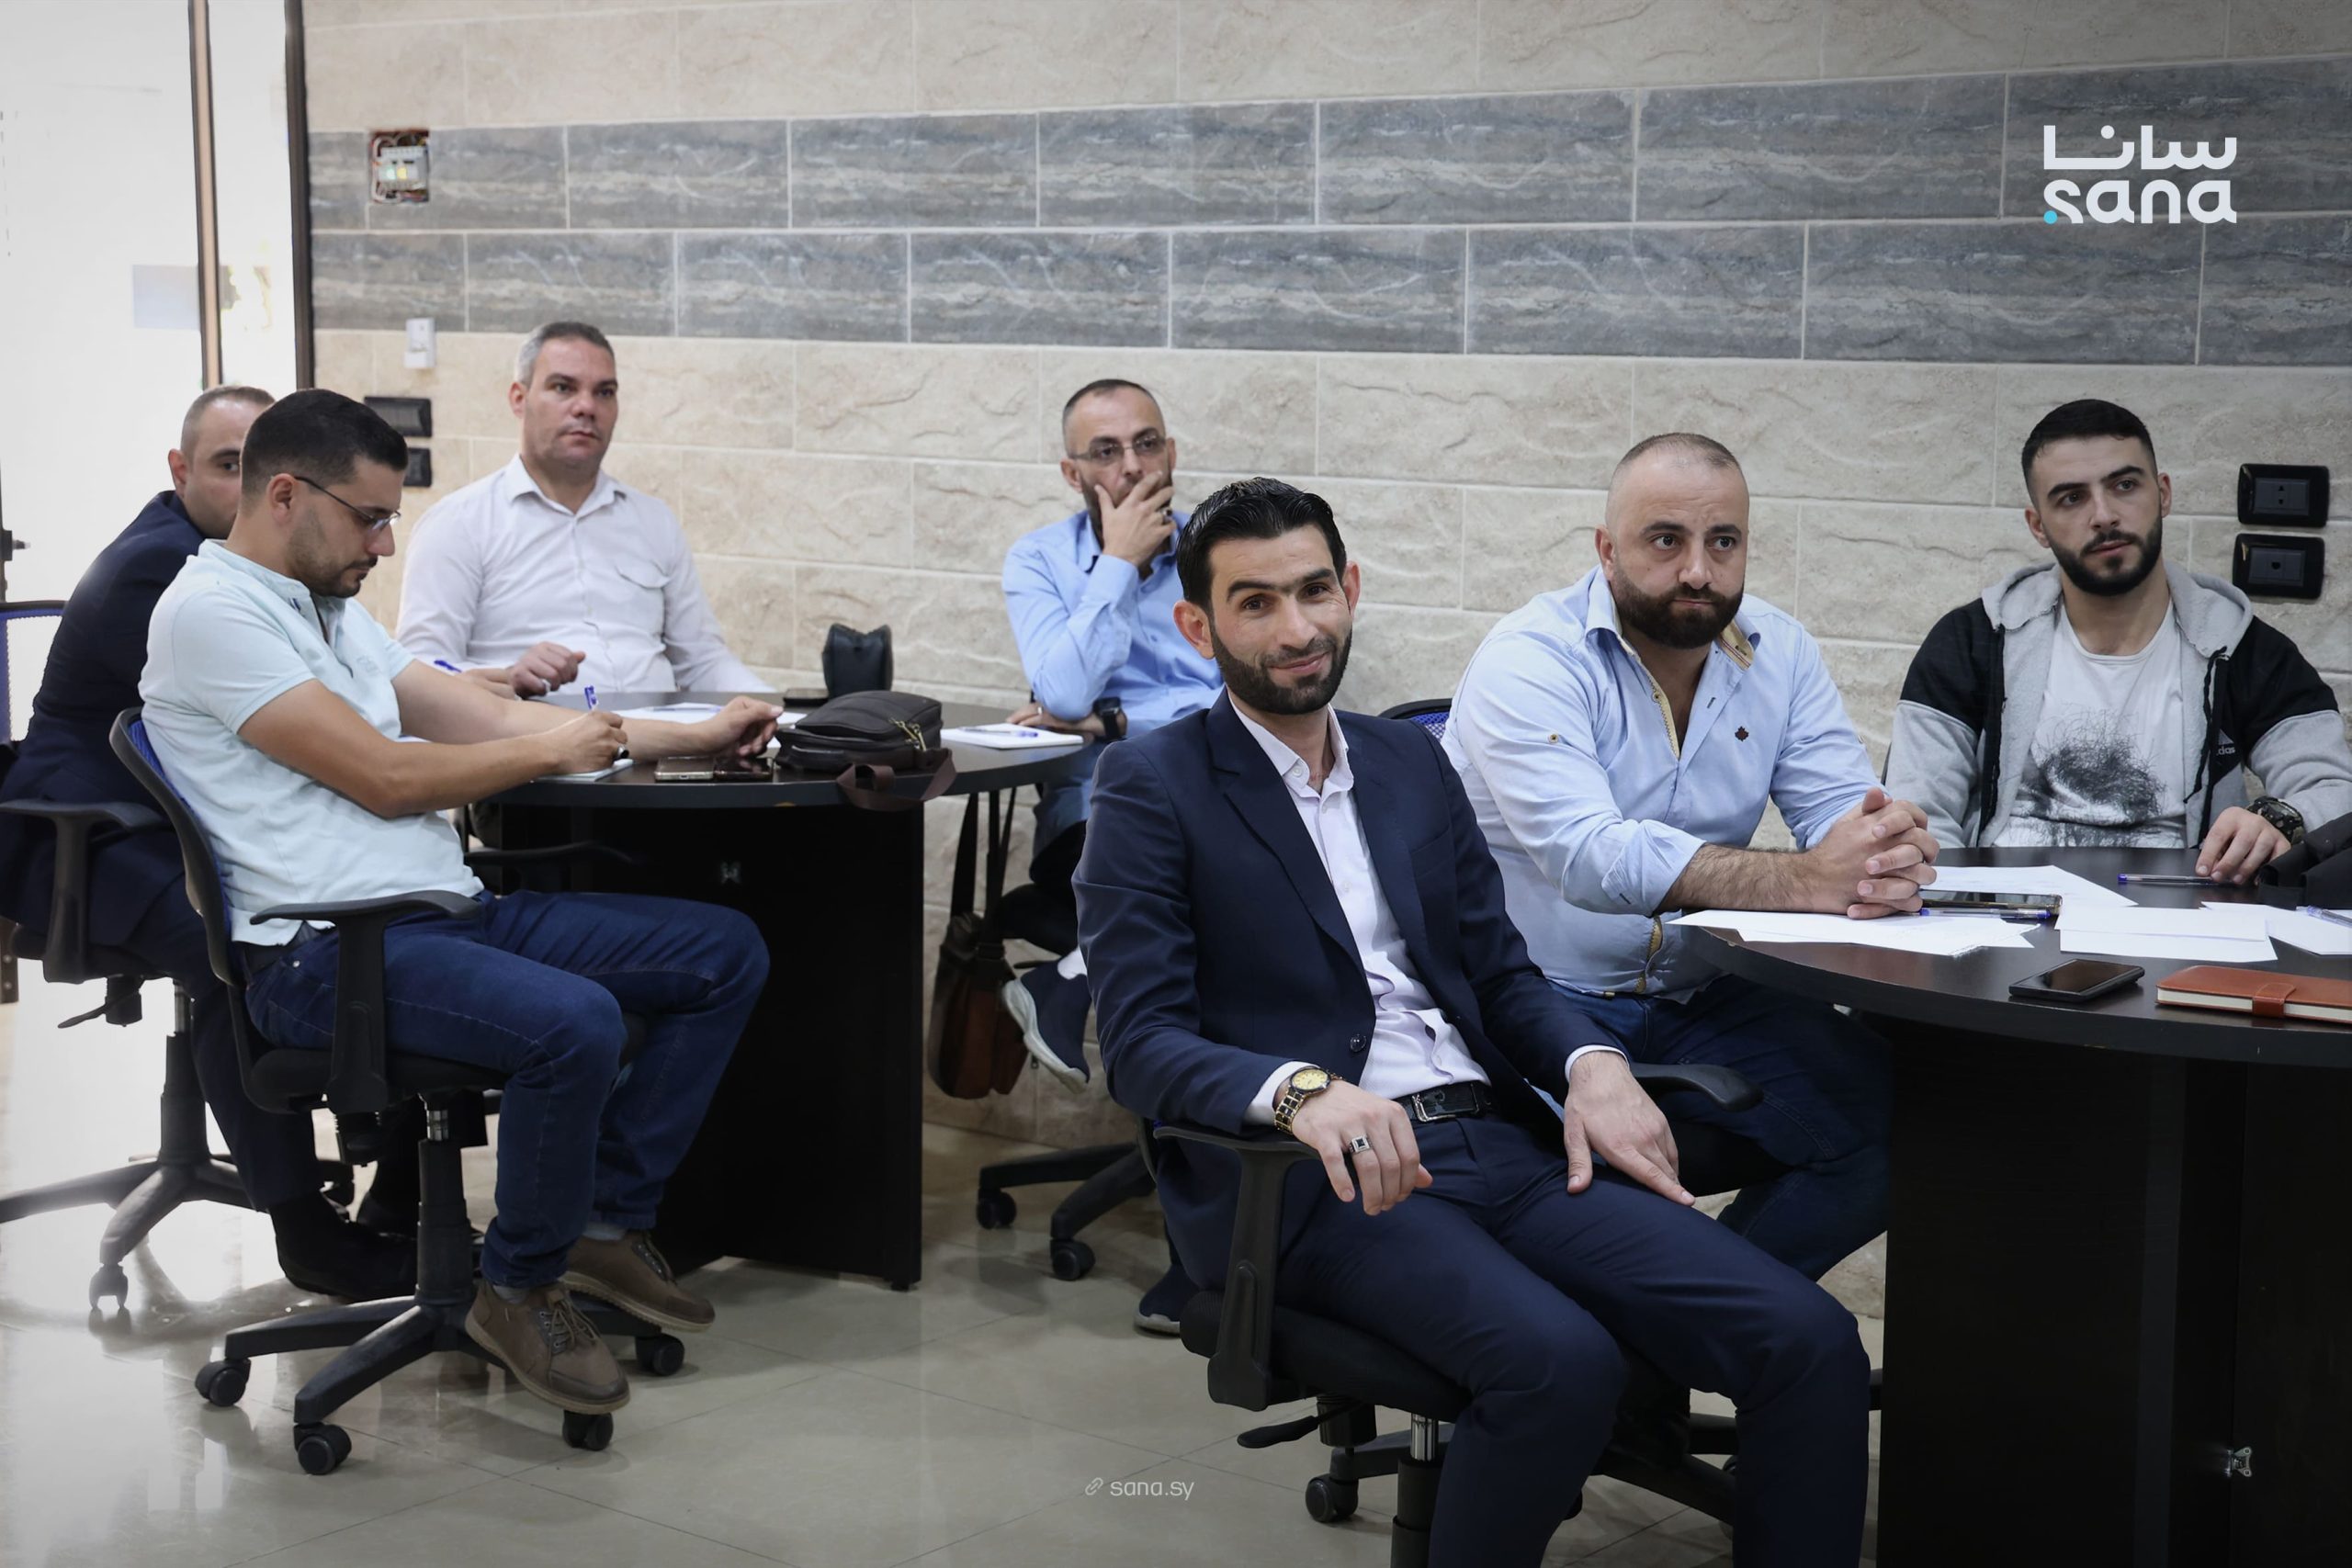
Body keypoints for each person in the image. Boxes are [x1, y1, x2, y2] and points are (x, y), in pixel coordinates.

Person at [1076, 478, 1869, 1567]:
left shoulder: (1410, 761)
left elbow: (1498, 973)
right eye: (1256, 603)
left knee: (1807, 1337)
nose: (1297, 628)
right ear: (1197, 626)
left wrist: (1589, 1062)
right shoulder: (1152, 785)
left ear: (1351, 589)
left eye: (1314, 591)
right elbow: (1140, 1044)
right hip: (1316, 1179)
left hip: (1496, 1141)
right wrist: (1302, 1093)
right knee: (1560, 1366)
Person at [141, 389, 775, 1417]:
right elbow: (387, 776)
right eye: (369, 518)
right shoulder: (210, 613)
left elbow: (488, 717)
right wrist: (548, 750)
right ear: (287, 495)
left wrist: (692, 735)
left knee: (723, 951)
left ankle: (603, 1224)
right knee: (575, 1021)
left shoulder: (328, 612)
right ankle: (517, 1286)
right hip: (324, 954)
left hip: (439, 914)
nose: (385, 545)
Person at [1443, 434, 1917, 1283]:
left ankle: (1701, 1325)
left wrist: (1884, 848)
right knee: (1569, 1196)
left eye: (1722, 541)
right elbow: (1590, 857)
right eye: (1666, 539)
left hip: (1705, 989)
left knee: (1906, 1124)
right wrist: (1807, 879)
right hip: (1536, 997)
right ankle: (1670, 1326)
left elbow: (1843, 816)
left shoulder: (1779, 650)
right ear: (1606, 549)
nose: (1699, 570)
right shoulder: (1531, 657)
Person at [0, 385, 415, 1300]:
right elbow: (300, 710)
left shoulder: (256, 572)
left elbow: (347, 684)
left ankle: (396, 1174)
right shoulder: (169, 572)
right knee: (239, 944)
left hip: (179, 821)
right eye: (230, 465)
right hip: (91, 836)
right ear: (183, 472)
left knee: (372, 899)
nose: (250, 484)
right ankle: (306, 1230)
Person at [1889, 398, 2352, 871]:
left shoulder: (2242, 647)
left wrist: (2281, 820)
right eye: (2072, 498)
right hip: (2005, 906)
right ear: (2038, 526)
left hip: (2181, 908)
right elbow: (1916, 815)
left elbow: (2335, 791)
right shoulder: (1972, 641)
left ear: (2163, 494)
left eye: (2124, 485)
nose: (2104, 515)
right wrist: (1954, 898)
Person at [998, 378, 1222, 1334]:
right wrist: (1119, 566)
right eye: (1105, 452)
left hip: (1212, 814)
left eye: (1147, 444)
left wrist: (1116, 721)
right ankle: (1200, 1259)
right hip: (1093, 829)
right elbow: (1060, 688)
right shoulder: (1040, 561)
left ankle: (1071, 981)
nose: (1131, 467)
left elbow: (1244, 701)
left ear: (1172, 452)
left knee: (1195, 929)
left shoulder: (1224, 548)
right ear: (1071, 472)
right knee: (1196, 922)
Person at [395, 321, 761, 699]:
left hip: (661, 731)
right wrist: (507, 677)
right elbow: (420, 668)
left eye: (604, 392)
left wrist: (779, 713)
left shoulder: (653, 521)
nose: (587, 407)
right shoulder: (459, 523)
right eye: (563, 388)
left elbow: (703, 661)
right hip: (533, 731)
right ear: (519, 399)